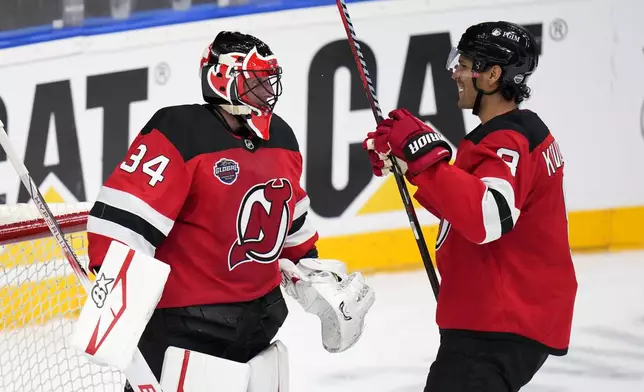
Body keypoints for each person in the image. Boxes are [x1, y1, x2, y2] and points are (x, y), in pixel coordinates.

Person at [85, 31, 375, 390]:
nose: (268, 93)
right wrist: (115, 296)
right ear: (223, 81)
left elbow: (291, 224)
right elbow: (121, 220)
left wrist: (312, 270)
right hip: (187, 331)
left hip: (258, 326)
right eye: (256, 83)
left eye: (269, 83)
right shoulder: (180, 132)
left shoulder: (281, 138)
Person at [363, 21, 577, 391]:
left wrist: (425, 159)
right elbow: (470, 204)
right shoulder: (515, 132)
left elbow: (489, 216)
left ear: (492, 75)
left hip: (496, 328)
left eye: (463, 64)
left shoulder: (507, 141)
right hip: (499, 319)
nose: (455, 73)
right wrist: (415, 169)